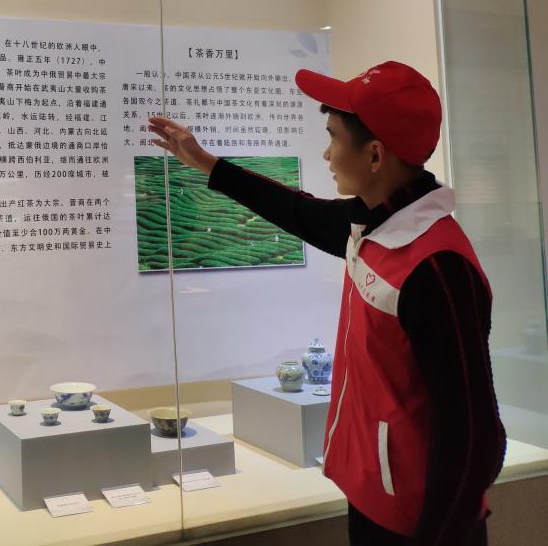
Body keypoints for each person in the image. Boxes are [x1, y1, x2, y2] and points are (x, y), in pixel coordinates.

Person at [149, 61, 504, 546]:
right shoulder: (374, 225)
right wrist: (207, 163)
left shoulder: (437, 267)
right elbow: (297, 210)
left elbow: (474, 435)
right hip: (376, 494)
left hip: (419, 521)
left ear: (374, 155)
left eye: (334, 137)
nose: (327, 152)